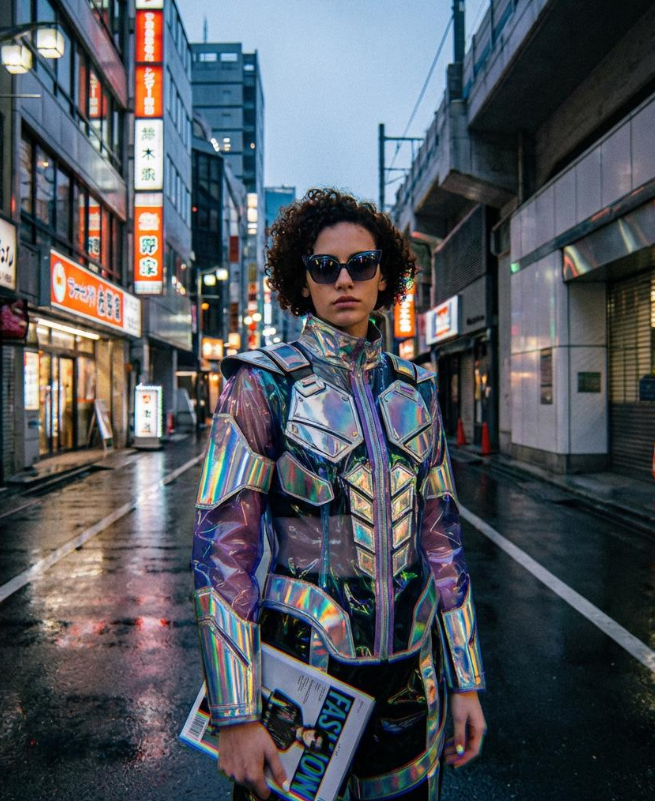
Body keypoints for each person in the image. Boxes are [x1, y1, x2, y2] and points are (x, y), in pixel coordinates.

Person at [192, 188, 486, 801]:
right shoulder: (262, 384)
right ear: (303, 280)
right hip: (298, 670)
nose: (344, 279)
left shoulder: (418, 389)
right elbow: (223, 549)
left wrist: (466, 678)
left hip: (412, 676)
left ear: (385, 276)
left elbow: (442, 540)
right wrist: (235, 710)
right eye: (325, 266)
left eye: (362, 263)